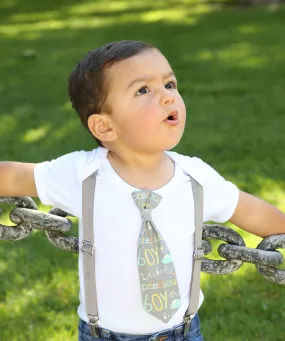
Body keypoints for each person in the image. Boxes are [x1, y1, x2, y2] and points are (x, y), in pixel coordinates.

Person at [1, 40, 285, 341]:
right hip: (102, 334)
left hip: (183, 332)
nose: (167, 97)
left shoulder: (196, 177)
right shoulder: (82, 175)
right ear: (105, 127)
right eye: (143, 90)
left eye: (170, 84)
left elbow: (250, 210)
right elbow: (12, 176)